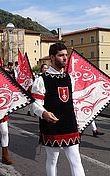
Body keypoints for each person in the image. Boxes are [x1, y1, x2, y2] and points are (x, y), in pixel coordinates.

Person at [31, 43, 85, 176]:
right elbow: (35, 104)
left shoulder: (69, 77)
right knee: (52, 160)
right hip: (51, 125)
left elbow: (74, 101)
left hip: (69, 124)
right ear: (52, 57)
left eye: (66, 55)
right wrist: (43, 113)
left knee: (76, 159)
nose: (65, 58)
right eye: (61, 55)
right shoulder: (41, 79)